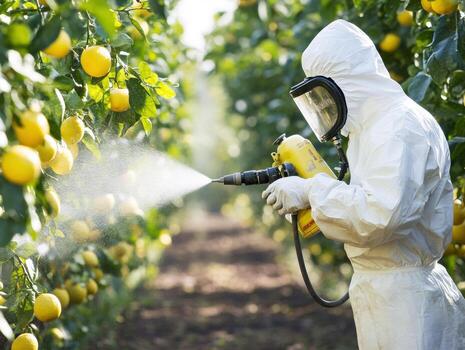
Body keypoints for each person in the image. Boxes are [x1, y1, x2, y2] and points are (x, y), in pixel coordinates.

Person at [262, 19, 465, 349]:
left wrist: (311, 190)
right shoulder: (373, 128)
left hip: (408, 301)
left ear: (348, 80)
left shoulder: (398, 126)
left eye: (325, 94)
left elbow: (381, 215)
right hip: (384, 292)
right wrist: (311, 203)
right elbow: (366, 206)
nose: (325, 107)